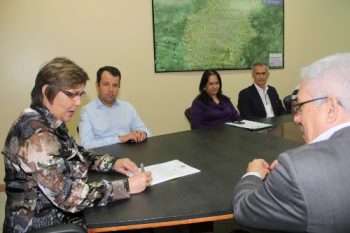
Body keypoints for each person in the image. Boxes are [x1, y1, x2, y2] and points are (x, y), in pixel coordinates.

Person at [2, 57, 152, 232]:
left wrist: (113, 163)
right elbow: (68, 196)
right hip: (44, 225)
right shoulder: (34, 134)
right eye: (71, 94)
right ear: (46, 91)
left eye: (79, 94)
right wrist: (126, 186)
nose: (78, 102)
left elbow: (78, 154)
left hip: (64, 217)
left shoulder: (50, 121)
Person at [233, 53, 350, 232]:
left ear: (331, 108)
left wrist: (253, 175)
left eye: (301, 106)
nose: (296, 118)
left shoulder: (297, 168)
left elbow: (244, 209)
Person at [79, 66, 151, 149]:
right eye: (106, 84)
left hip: (129, 154)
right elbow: (87, 145)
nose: (111, 90)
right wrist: (119, 139)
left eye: (115, 85)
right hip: (103, 157)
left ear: (119, 87)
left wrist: (142, 134)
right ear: (97, 85)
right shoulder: (86, 111)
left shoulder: (127, 107)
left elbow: (147, 132)